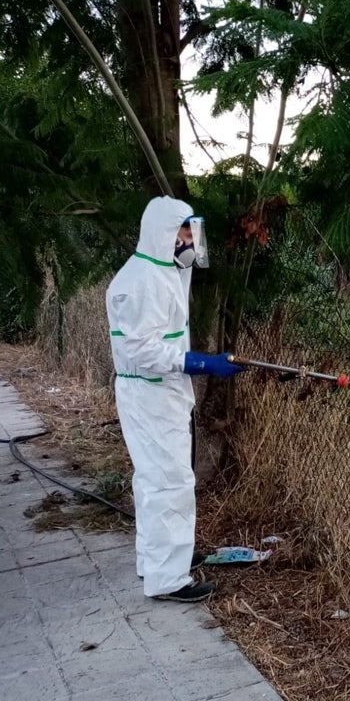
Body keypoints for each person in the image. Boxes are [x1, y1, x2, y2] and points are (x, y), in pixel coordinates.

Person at [106, 195, 244, 602]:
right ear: (165, 232)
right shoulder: (142, 281)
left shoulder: (161, 271)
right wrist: (199, 363)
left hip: (155, 393)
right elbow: (142, 350)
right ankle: (169, 578)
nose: (191, 239)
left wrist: (195, 364)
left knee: (155, 478)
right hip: (149, 394)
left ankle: (162, 558)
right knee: (170, 481)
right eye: (186, 230)